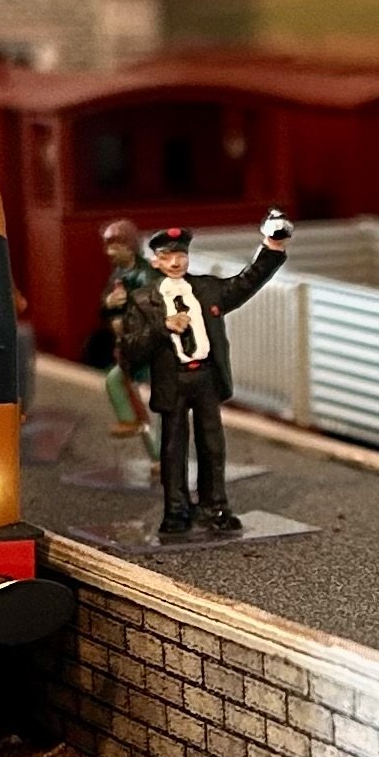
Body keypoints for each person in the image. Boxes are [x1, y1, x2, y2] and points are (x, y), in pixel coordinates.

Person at [113, 211, 292, 537]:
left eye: (181, 255)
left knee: (212, 445)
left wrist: (272, 246)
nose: (175, 262)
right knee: (173, 449)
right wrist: (163, 327)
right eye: (168, 256)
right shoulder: (143, 301)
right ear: (156, 262)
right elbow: (130, 350)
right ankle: (176, 510)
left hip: (206, 377)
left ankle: (215, 506)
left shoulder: (207, 289)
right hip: (173, 381)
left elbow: (245, 282)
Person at [93, 219, 155, 461]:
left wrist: (126, 310)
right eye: (108, 247)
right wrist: (109, 304)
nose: (110, 253)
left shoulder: (145, 275)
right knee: (121, 387)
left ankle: (161, 455)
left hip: (147, 350)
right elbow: (104, 308)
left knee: (150, 408)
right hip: (128, 347)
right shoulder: (118, 275)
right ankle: (132, 424)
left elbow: (152, 309)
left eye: (115, 247)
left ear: (130, 247)